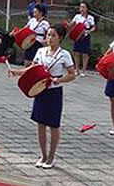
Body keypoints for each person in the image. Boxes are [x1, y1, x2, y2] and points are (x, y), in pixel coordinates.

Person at [7, 24, 76, 168]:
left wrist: (59, 80)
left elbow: (72, 74)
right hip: (40, 90)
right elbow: (32, 68)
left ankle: (51, 156)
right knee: (40, 124)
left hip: (54, 92)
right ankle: (43, 154)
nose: (50, 38)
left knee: (53, 125)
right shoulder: (41, 51)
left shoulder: (65, 54)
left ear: (60, 38)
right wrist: (17, 72)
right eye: (48, 35)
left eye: (53, 36)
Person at [70, 2, 96, 77]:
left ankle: (83, 70)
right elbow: (72, 24)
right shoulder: (77, 16)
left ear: (87, 9)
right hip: (77, 35)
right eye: (81, 7)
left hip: (85, 35)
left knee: (85, 54)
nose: (82, 9)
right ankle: (77, 69)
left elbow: (93, 27)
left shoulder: (90, 17)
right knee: (76, 52)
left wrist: (89, 31)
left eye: (84, 7)